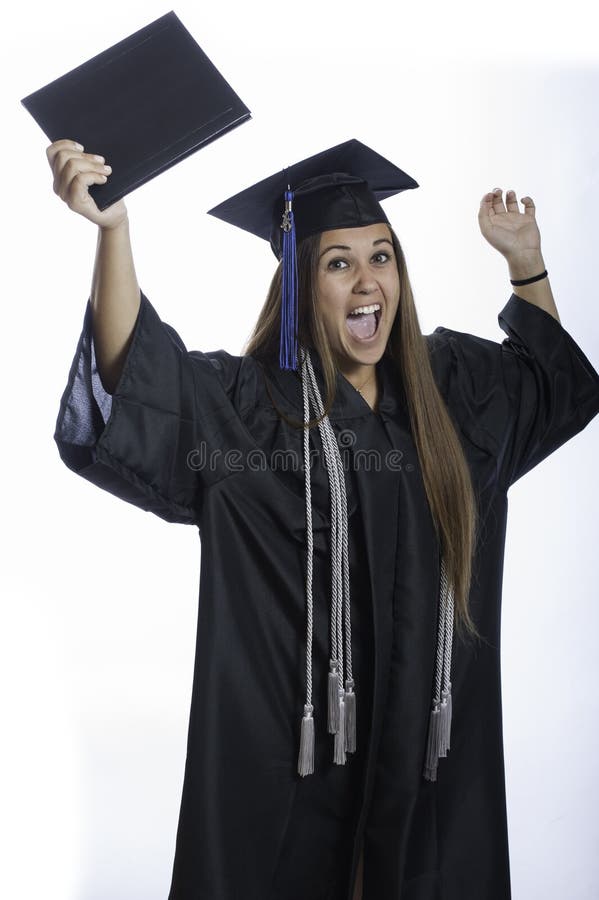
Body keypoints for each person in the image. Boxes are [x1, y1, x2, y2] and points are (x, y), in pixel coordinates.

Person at [47, 136, 599, 900]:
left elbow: (548, 387)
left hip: (430, 754)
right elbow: (138, 376)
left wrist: (524, 261)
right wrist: (114, 234)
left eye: (381, 256)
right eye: (338, 262)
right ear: (302, 286)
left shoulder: (454, 393)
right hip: (298, 757)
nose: (367, 281)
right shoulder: (254, 411)